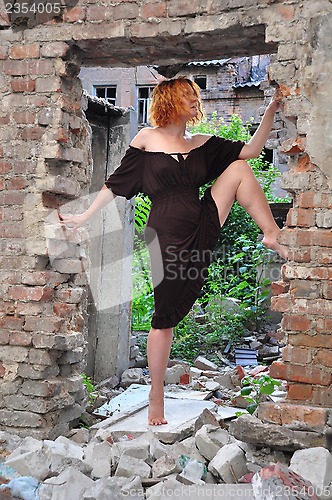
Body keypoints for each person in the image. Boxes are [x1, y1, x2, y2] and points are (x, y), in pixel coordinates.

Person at [60, 77, 288, 426]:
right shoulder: (147, 138)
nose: (196, 102)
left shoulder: (201, 144)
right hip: (163, 232)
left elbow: (252, 151)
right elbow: (116, 184)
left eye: (195, 97)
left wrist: (271, 110)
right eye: (189, 97)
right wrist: (85, 216)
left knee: (239, 168)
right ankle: (156, 395)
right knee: (164, 316)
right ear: (170, 101)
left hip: (199, 220)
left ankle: (271, 233)